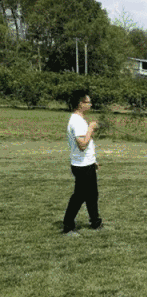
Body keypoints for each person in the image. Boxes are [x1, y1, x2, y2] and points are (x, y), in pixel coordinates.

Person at [62, 90, 103, 235]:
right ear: (80, 104)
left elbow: (85, 145)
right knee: (79, 197)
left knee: (92, 195)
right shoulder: (77, 122)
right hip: (81, 166)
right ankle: (68, 226)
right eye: (88, 102)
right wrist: (91, 128)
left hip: (86, 164)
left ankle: (95, 222)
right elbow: (82, 145)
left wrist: (92, 161)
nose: (91, 104)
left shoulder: (79, 120)